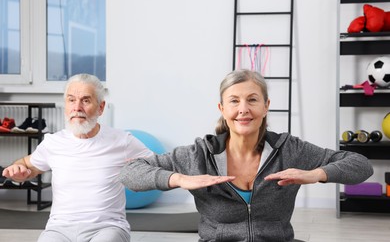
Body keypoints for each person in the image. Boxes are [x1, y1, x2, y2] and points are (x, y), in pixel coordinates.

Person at [119, 69, 373, 242]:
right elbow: (130, 173)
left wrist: (316, 174)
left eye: (252, 100)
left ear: (266, 106)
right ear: (222, 108)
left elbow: (360, 165)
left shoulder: (290, 150)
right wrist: (179, 179)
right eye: (234, 101)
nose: (243, 110)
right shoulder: (199, 154)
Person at [2, 74, 153, 242]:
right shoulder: (53, 142)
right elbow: (26, 164)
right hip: (59, 229)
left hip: (107, 228)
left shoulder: (122, 140)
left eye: (86, 100)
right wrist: (18, 169)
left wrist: (179, 178)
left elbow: (158, 164)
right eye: (71, 100)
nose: (77, 107)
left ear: (101, 107)